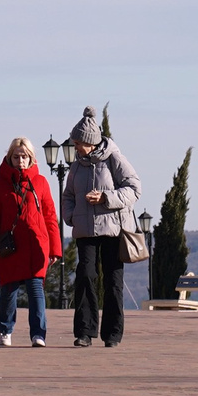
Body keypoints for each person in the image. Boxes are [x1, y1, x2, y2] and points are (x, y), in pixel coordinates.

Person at [56, 107, 140, 348]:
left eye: (78, 143)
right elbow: (68, 195)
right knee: (85, 277)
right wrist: (70, 216)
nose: (75, 147)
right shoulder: (76, 165)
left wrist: (105, 198)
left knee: (113, 281)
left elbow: (134, 189)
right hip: (85, 231)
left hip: (113, 231)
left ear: (90, 142)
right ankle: (84, 332)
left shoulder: (115, 159)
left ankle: (112, 334)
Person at [0, 137, 61, 348]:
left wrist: (55, 249)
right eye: (16, 156)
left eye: (25, 157)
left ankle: (38, 334)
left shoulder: (40, 182)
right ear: (9, 157)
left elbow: (50, 217)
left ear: (31, 158)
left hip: (36, 246)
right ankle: (5, 331)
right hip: (10, 247)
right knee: (8, 290)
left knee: (35, 291)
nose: (21, 161)